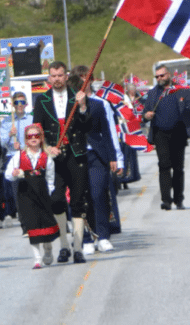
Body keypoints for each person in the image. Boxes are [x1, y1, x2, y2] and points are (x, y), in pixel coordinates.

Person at [32, 61, 92, 264]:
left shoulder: (78, 95)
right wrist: (46, 147)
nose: (57, 79)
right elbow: (37, 129)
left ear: (66, 76)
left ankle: (78, 248)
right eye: (53, 75)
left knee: (78, 202)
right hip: (54, 158)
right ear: (49, 78)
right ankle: (64, 245)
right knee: (57, 200)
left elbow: (86, 126)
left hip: (76, 155)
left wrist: (83, 106)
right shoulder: (42, 99)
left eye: (60, 75)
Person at [68, 68, 119, 254]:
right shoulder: (69, 106)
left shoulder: (97, 105)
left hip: (97, 155)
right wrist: (78, 107)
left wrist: (113, 157)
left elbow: (106, 132)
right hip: (77, 155)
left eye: (85, 81)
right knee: (83, 197)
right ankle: (88, 237)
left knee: (98, 194)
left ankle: (103, 236)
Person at [142, 66, 190, 210]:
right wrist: (147, 115)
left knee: (178, 168)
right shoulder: (153, 93)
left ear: (169, 75)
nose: (159, 79)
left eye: (162, 76)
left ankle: (179, 199)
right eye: (157, 77)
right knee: (164, 166)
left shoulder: (181, 90)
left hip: (179, 132)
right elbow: (145, 113)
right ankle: (166, 200)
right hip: (160, 133)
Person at [5, 123, 59, 269]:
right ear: (26, 139)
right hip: (26, 194)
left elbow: (50, 179)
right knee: (32, 225)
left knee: (46, 224)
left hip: (42, 194)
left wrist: (48, 193)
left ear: (41, 138)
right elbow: (8, 174)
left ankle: (48, 248)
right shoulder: (18, 156)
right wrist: (14, 174)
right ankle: (37, 258)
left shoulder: (46, 157)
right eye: (30, 136)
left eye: (36, 136)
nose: (33, 138)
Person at [0, 92, 32, 221]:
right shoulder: (7, 121)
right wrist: (9, 134)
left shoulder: (31, 119)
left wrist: (25, 145)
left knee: (31, 187)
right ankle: (23, 220)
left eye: (22, 102)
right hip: (13, 156)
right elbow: (2, 143)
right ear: (13, 105)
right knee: (17, 190)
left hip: (28, 155)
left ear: (26, 104)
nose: (19, 105)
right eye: (17, 103)